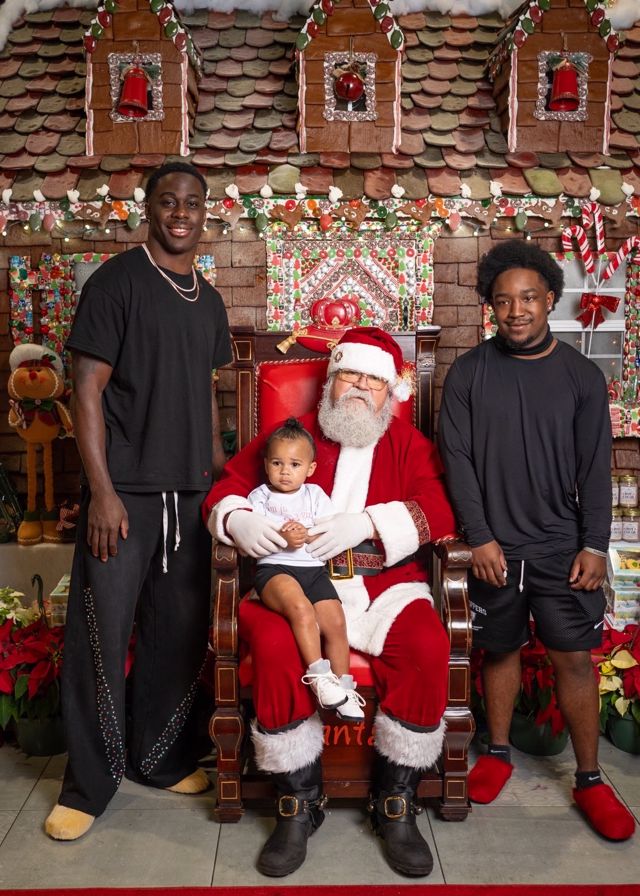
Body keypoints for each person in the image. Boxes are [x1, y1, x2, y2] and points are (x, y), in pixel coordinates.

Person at [204, 327, 457, 878]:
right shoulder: (290, 440)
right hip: (291, 581)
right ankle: (298, 800)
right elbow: (226, 489)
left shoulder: (407, 443)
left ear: (389, 391)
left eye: (373, 380)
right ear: (331, 380)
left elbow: (439, 508)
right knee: (275, 645)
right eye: (350, 375)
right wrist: (238, 519)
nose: (361, 388)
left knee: (427, 644)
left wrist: (368, 522)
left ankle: (396, 800)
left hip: (384, 586)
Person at [45, 161, 233, 841]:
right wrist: (101, 491)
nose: (181, 213)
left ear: (205, 213)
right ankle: (87, 787)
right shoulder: (115, 283)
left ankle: (158, 759)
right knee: (99, 638)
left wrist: (220, 478)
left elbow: (206, 391)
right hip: (124, 495)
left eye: (193, 203)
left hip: (189, 495)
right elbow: (86, 389)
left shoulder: (209, 301)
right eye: (168, 201)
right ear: (147, 208)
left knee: (175, 637)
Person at [438, 239, 635, 842]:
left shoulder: (581, 377)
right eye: (503, 301)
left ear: (550, 299)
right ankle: (497, 753)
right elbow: (457, 462)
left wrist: (594, 545)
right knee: (498, 650)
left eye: (528, 298)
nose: (516, 310)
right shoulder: (469, 373)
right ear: (490, 307)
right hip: (495, 549)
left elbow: (595, 468)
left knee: (572, 658)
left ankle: (590, 778)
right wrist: (480, 538)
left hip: (561, 547)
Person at [249, 417, 365, 722]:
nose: (285, 471)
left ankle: (344, 690)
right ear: (266, 464)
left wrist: (308, 534)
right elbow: (254, 533)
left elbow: (327, 529)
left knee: (335, 621)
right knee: (301, 610)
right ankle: (319, 677)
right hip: (275, 569)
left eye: (295, 464)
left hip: (313, 571)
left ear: (310, 468)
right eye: (277, 463)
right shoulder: (260, 497)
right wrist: (283, 537)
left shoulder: (315, 495)